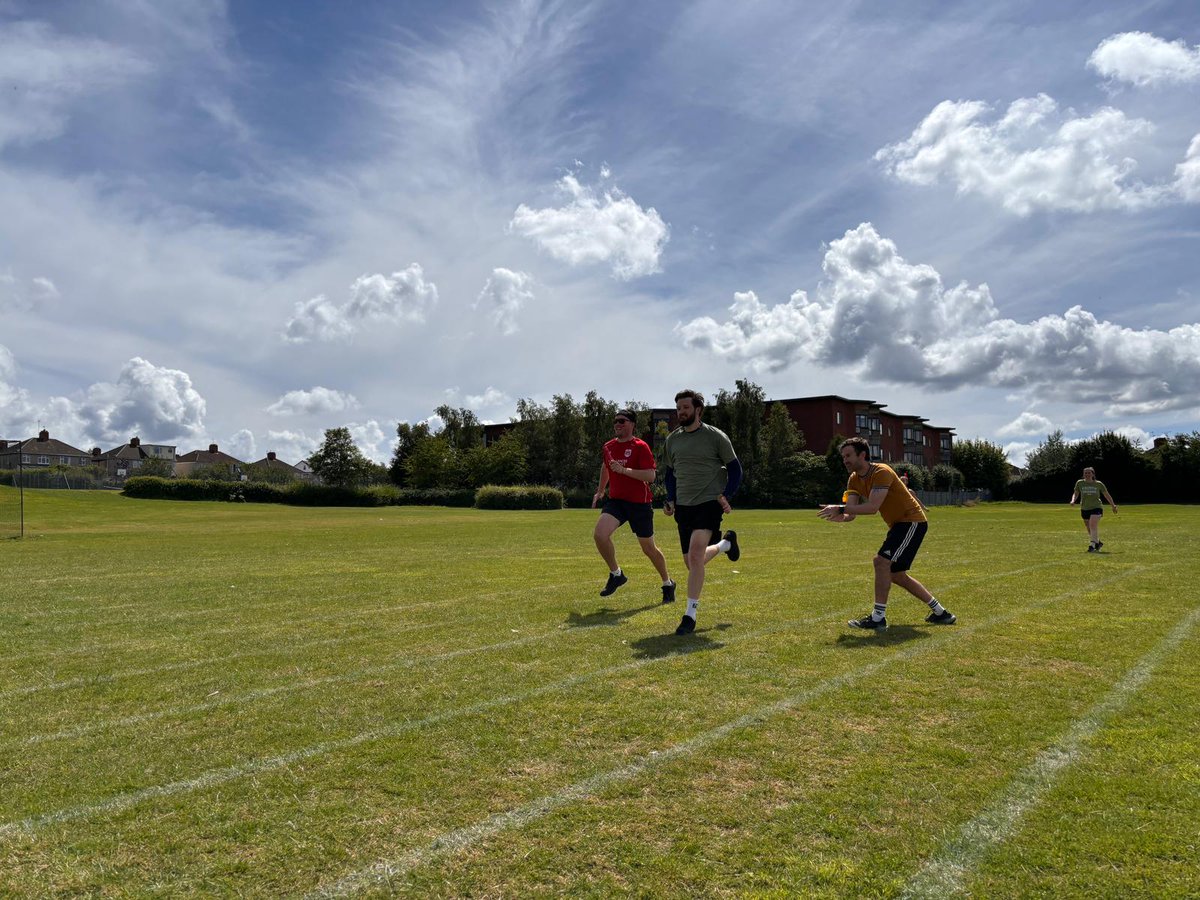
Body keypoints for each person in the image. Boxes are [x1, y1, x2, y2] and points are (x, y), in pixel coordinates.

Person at [818, 436, 956, 630]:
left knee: (881, 562)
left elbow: (873, 507)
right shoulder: (853, 480)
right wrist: (843, 516)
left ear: (862, 455)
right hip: (900, 525)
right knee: (897, 575)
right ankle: (941, 613)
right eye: (843, 457)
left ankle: (878, 618)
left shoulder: (881, 471)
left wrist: (841, 509)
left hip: (912, 521)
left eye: (848, 455)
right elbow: (851, 510)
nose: (845, 460)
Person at [662, 389, 742, 635]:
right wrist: (670, 498)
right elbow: (668, 473)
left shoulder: (715, 437)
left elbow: (735, 469)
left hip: (709, 502)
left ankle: (690, 615)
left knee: (695, 556)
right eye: (678, 409)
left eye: (685, 408)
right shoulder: (672, 440)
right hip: (684, 506)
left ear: (698, 409)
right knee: (691, 562)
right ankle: (725, 545)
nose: (681, 412)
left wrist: (726, 496)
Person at [592, 410, 676, 603]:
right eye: (615, 421)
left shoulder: (640, 446)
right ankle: (616, 574)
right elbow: (606, 467)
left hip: (640, 503)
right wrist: (601, 490)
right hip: (617, 502)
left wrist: (624, 471)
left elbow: (650, 476)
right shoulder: (609, 447)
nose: (617, 424)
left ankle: (667, 583)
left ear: (632, 424)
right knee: (600, 534)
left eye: (622, 421)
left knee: (649, 549)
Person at [1070, 467, 1118, 552]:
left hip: (1096, 507)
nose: (1087, 474)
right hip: (1084, 508)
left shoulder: (1098, 484)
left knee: (1092, 525)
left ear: (1093, 474)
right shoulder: (1080, 483)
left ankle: (1092, 545)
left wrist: (1113, 505)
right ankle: (1098, 543)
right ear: (1083, 474)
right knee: (1089, 527)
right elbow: (1076, 493)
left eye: (1089, 473)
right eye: (1085, 473)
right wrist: (1073, 500)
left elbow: (1106, 495)